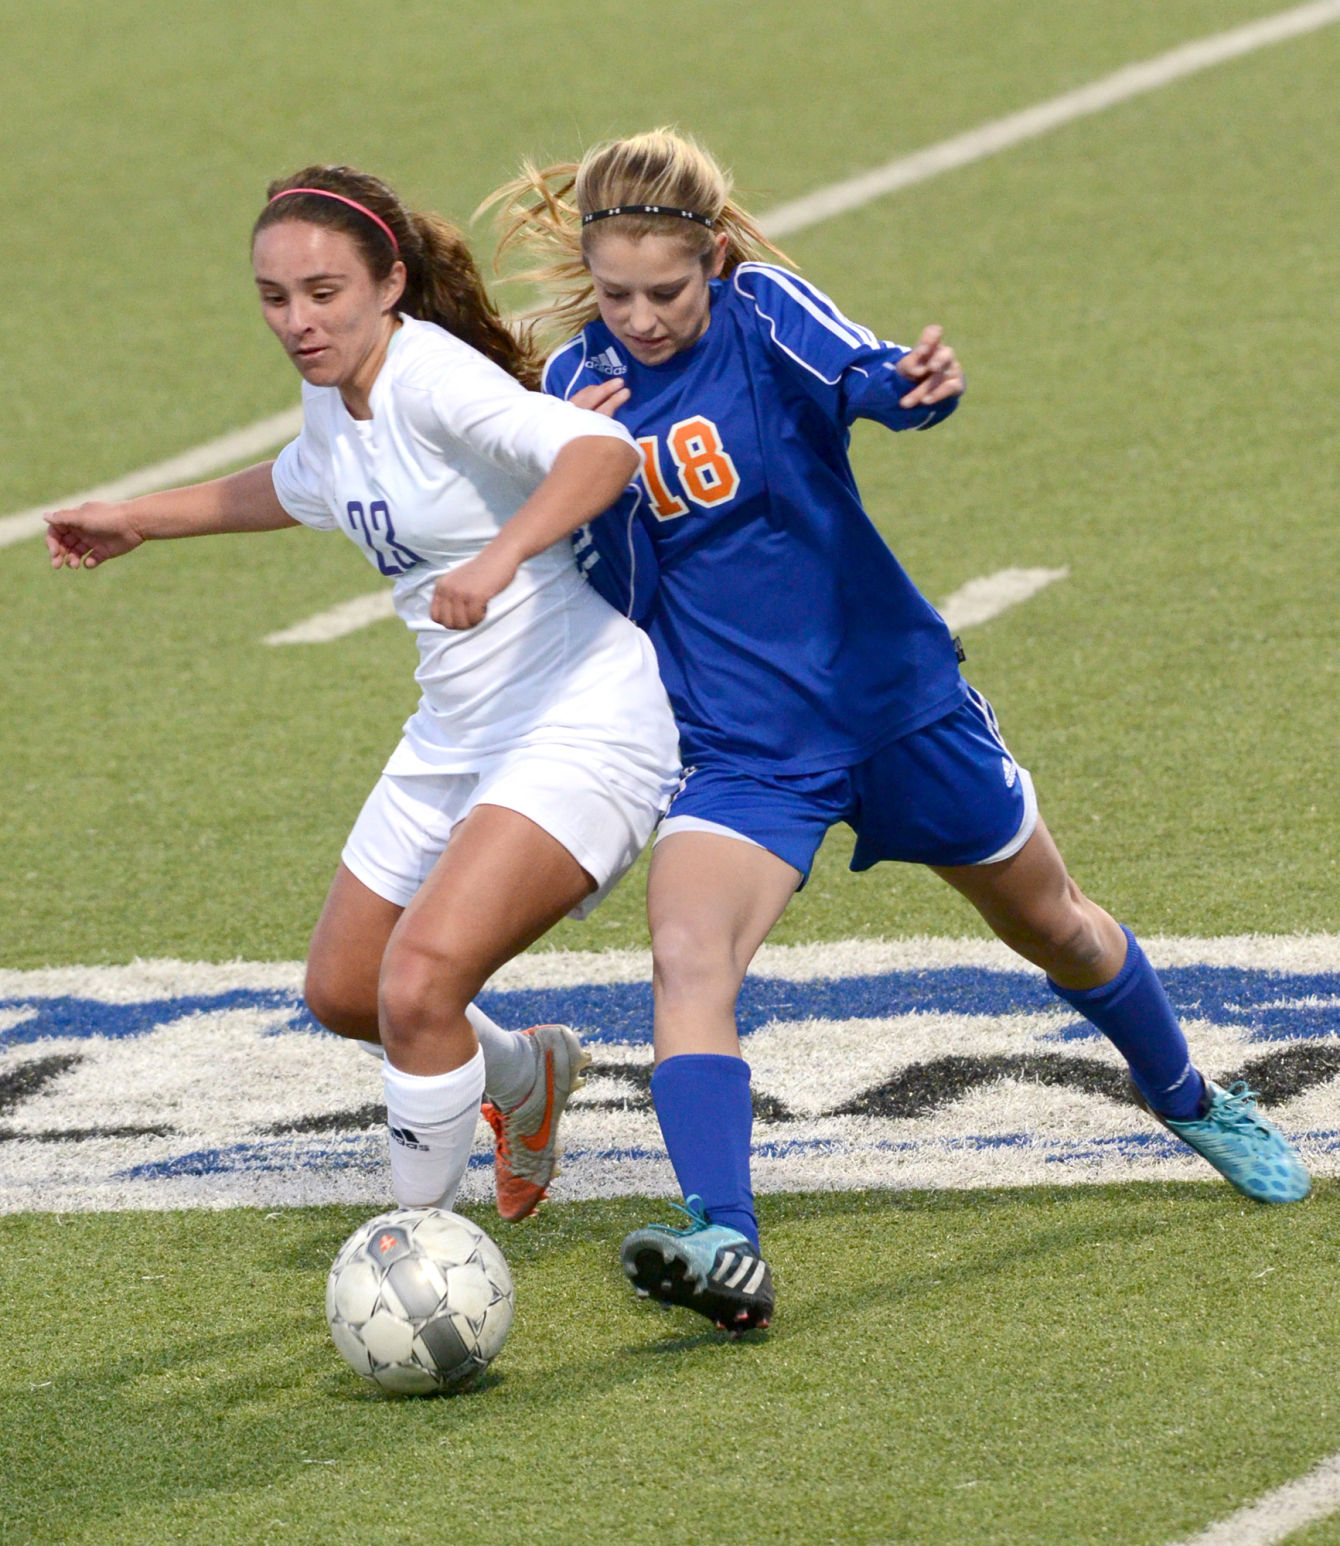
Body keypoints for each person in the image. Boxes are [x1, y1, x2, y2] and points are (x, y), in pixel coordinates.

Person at [479, 128, 1311, 1333]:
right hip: (741, 745)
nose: (642, 318)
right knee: (687, 954)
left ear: (710, 259)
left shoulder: (762, 314)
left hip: (896, 705)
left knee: (1056, 926)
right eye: (615, 295)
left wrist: (916, 388)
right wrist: (575, 475)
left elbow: (865, 376)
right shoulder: (574, 388)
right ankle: (724, 1237)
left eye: (665, 292)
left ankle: (1184, 1093)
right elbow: (583, 564)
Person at [45, 164, 680, 1225]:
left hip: (578, 720)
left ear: (389, 283)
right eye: (274, 297)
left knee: (419, 981)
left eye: (322, 292)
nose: (297, 320)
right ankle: (525, 1077)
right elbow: (302, 480)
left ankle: (419, 1246)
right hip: (457, 731)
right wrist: (142, 517)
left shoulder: (431, 375)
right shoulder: (336, 392)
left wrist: (498, 558)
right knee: (346, 992)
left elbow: (599, 450)